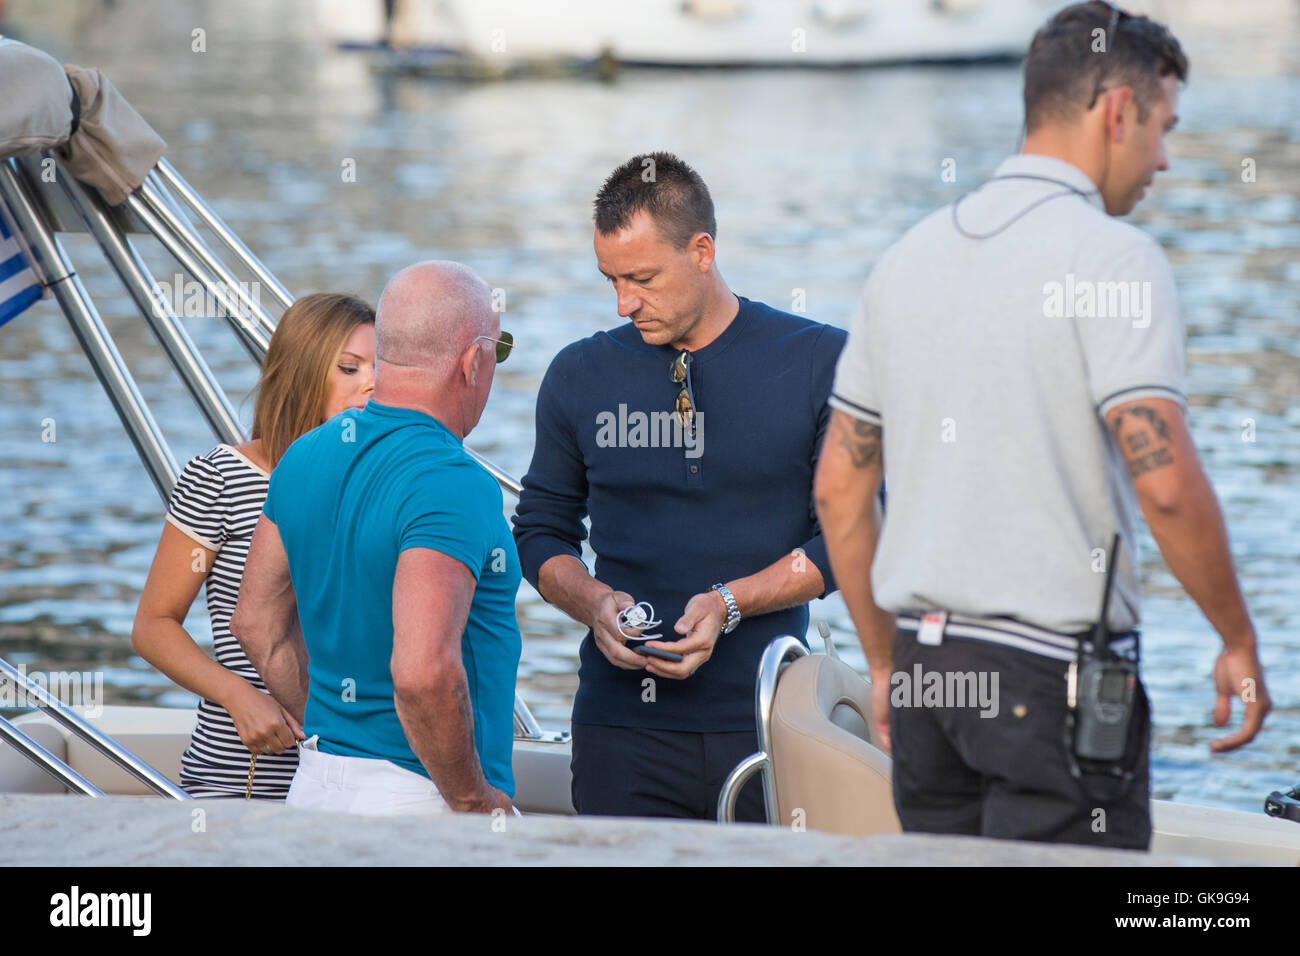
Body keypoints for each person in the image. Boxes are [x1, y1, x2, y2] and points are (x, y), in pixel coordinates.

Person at [814, 0, 1270, 850]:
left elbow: (841, 492)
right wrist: (1238, 640)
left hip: (926, 676)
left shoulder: (905, 259)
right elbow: (1165, 485)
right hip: (1048, 679)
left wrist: (883, 665)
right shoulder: (1114, 259)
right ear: (1118, 110)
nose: (1165, 158)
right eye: (1164, 127)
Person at [513, 152, 846, 821]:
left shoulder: (820, 361)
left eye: (641, 278)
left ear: (701, 251)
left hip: (765, 720)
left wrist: (731, 602)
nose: (623, 302)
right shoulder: (579, 374)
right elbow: (541, 530)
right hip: (618, 729)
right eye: (611, 280)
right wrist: (593, 602)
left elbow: (851, 538)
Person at [231, 261, 520, 816]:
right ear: (473, 360)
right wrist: (472, 800)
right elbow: (421, 673)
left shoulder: (302, 455)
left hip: (315, 787)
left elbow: (257, 625)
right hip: (422, 801)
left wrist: (339, 727)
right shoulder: (453, 481)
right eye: (497, 351)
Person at [132, 292, 376, 798]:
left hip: (359, 772)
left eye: (380, 368)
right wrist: (238, 695)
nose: (372, 383)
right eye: (350, 368)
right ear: (301, 372)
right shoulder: (221, 476)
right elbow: (153, 626)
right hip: (241, 770)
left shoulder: (376, 482)